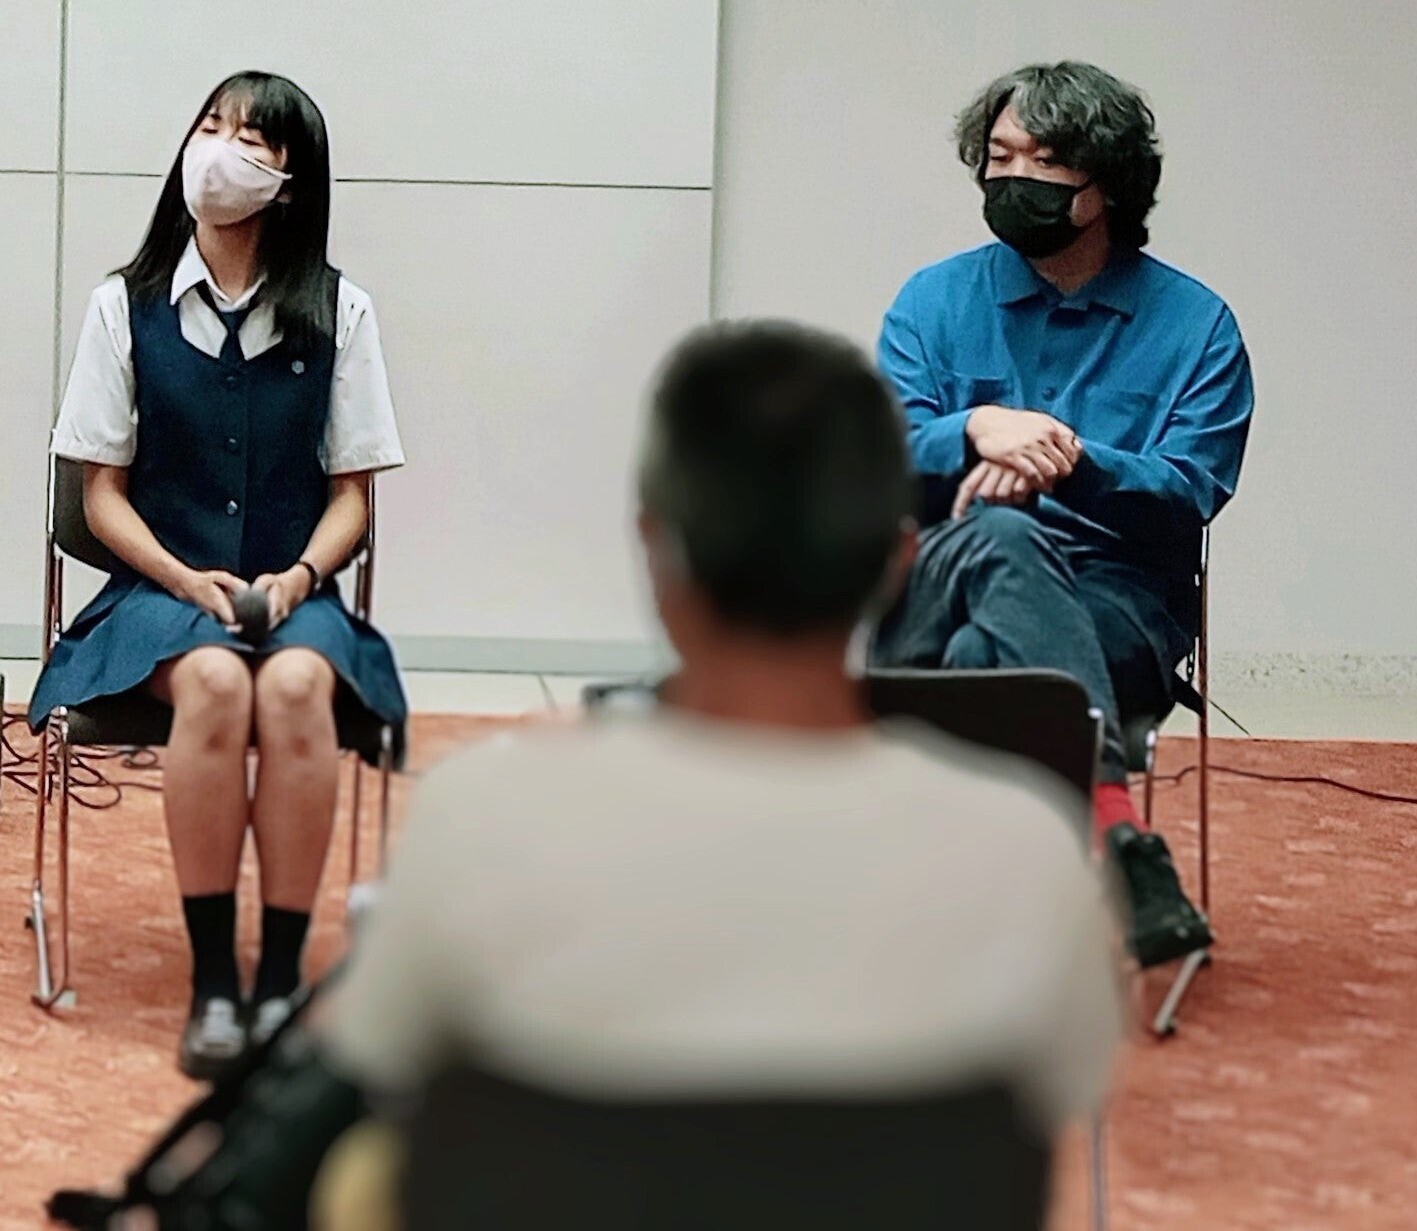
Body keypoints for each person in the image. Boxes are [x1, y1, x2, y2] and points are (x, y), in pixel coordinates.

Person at [314, 322, 1121, 1226]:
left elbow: (382, 1068)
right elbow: (1055, 1105)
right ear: (897, 564)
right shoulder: (1024, 855)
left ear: (656, 551)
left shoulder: (479, 819)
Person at [36, 71, 407, 1079]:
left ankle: (278, 979)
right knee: (210, 682)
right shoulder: (124, 307)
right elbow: (101, 495)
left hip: (295, 588)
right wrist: (180, 577)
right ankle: (213, 982)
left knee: (291, 687)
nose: (219, 150)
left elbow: (353, 498)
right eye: (210, 126)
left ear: (290, 181)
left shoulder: (340, 312)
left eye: (252, 138)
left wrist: (297, 579)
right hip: (158, 592)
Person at [875, 61, 1251, 967]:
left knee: (985, 658)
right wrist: (975, 428)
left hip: (1111, 600)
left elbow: (1189, 494)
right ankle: (1118, 835)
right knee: (997, 538)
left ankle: (961, 911)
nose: (1013, 178)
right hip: (937, 586)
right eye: (999, 156)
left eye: (1043, 162)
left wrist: (1066, 461)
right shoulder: (932, 301)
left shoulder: (1196, 327)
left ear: (1106, 184)